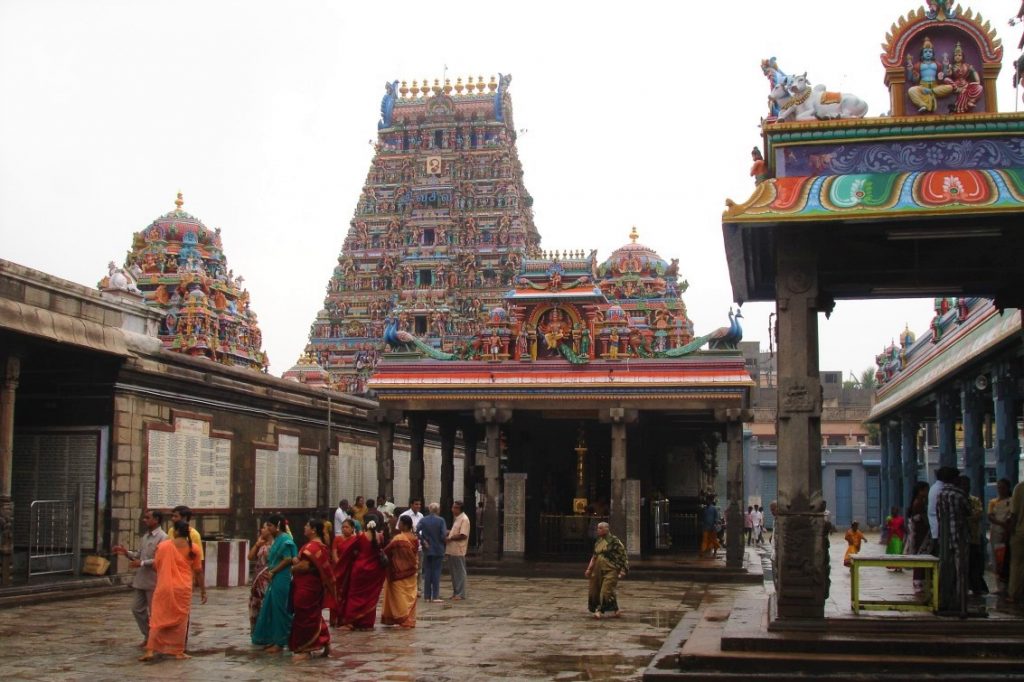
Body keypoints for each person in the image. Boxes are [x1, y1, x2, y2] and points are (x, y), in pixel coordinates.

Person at [139, 520, 206, 662]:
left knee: (157, 617)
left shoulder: (163, 546)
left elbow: (156, 566)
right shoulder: (193, 548)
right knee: (180, 620)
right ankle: (177, 651)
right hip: (183, 588)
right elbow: (198, 571)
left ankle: (150, 650)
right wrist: (203, 590)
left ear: (175, 532)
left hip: (164, 586)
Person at [112, 509, 168, 647]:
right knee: (136, 609)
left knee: (154, 612)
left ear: (156, 520)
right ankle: (148, 635)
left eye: (147, 518)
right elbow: (139, 555)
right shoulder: (145, 537)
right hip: (141, 580)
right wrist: (126, 552)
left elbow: (159, 560)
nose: (144, 520)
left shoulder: (163, 537)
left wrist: (142, 563)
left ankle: (157, 639)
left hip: (153, 580)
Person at [289, 519, 335, 659]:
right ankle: (323, 639)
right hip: (308, 585)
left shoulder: (313, 547)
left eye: (307, 526)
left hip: (308, 586)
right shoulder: (315, 546)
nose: (304, 527)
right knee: (312, 613)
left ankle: (306, 647)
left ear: (314, 529)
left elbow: (306, 566)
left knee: (304, 614)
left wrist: (293, 568)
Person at [252, 515, 297, 652]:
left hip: (281, 577)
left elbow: (288, 559)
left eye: (270, 526)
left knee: (280, 609)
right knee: (271, 608)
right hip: (274, 578)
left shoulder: (285, 539)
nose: (268, 528)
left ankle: (281, 642)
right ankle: (274, 639)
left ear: (277, 525)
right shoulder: (277, 539)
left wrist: (273, 571)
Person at [340, 519, 387, 630]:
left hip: (360, 569)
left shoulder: (361, 537)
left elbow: (349, 551)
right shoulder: (380, 537)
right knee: (371, 597)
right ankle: (367, 623)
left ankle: (351, 621)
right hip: (375, 570)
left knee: (354, 595)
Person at [936, 468, 970, 616]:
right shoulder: (959, 494)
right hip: (959, 537)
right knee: (961, 571)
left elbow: (939, 516)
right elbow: (968, 511)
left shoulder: (940, 495)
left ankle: (944, 600)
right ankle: (961, 603)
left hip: (945, 538)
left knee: (945, 570)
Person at [381, 515, 420, 628]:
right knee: (409, 595)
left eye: (400, 523)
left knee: (400, 597)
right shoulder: (414, 538)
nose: (398, 524)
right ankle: (408, 619)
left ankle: (403, 618)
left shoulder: (399, 538)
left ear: (405, 525)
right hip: (411, 571)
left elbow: (386, 551)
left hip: (398, 571)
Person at [585, 521, 629, 619]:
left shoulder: (614, 541)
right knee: (594, 590)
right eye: (598, 528)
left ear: (606, 529)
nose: (598, 530)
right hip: (598, 569)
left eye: (600, 528)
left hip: (611, 569)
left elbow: (623, 555)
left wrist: (623, 569)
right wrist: (589, 569)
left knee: (606, 591)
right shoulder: (598, 541)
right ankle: (615, 609)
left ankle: (600, 610)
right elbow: (594, 556)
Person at [906, 37, 954, 112]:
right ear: (922, 54)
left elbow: (942, 76)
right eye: (925, 52)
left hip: (935, 87)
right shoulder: (918, 65)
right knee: (911, 90)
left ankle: (930, 91)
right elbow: (911, 79)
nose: (928, 53)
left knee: (950, 87)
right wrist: (909, 70)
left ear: (932, 54)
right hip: (923, 87)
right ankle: (922, 104)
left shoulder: (937, 64)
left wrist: (945, 65)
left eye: (930, 52)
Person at [959, 476, 988, 596]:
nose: (967, 487)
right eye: (964, 485)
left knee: (975, 564)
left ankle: (976, 587)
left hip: (974, 538)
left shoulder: (974, 500)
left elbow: (978, 515)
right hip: (961, 539)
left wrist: (965, 519)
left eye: (968, 485)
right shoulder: (958, 499)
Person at [330, 518, 358, 627]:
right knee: (337, 594)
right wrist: (339, 563)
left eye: (347, 527)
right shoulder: (337, 539)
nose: (344, 529)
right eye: (343, 527)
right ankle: (336, 618)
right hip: (338, 570)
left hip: (350, 569)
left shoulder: (355, 539)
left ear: (352, 529)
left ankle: (347, 618)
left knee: (348, 593)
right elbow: (334, 552)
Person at [418, 502, 448, 603]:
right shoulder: (441, 520)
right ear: (438, 510)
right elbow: (443, 535)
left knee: (427, 572)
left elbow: (416, 531)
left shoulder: (423, 520)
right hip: (438, 548)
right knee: (436, 572)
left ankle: (426, 597)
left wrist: (423, 540)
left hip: (427, 548)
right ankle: (435, 596)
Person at [247, 522, 273, 633]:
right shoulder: (261, 543)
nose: (261, 530)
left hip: (268, 578)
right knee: (255, 604)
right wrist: (257, 545)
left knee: (266, 605)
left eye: (264, 528)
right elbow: (250, 557)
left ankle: (266, 632)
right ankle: (256, 632)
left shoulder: (276, 544)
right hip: (258, 578)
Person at [988, 478, 1012, 595]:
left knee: (1007, 559)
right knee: (997, 560)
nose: (1000, 490)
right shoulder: (993, 502)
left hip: (1008, 533)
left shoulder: (1012, 501)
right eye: (999, 487)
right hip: (996, 533)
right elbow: (990, 516)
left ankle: (1009, 585)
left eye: (1003, 487)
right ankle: (1000, 586)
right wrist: (1002, 524)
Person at [945, 42, 983, 113]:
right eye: (955, 55)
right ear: (953, 57)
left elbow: (974, 72)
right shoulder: (952, 66)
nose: (957, 56)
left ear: (962, 57)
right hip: (955, 85)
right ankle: (959, 91)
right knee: (946, 79)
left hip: (966, 85)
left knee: (980, 87)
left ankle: (970, 101)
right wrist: (948, 68)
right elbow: (948, 75)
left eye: (959, 55)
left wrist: (977, 81)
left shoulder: (967, 66)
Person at [399, 498, 424, 595]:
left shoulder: (421, 516)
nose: (418, 506)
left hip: (418, 545)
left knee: (419, 568)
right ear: (411, 504)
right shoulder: (404, 515)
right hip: (406, 545)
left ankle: (418, 588)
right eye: (416, 504)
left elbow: (422, 529)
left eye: (419, 504)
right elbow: (399, 528)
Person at [446, 500, 470, 601]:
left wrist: (450, 538)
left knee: (459, 572)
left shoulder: (464, 519)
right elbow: (454, 532)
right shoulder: (457, 519)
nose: (452, 509)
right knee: (454, 573)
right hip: (452, 549)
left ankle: (460, 593)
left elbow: (463, 535)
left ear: (459, 509)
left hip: (458, 549)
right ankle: (456, 592)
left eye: (454, 507)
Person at [1008, 479, 1024, 603]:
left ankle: (1014, 594)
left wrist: (1010, 532)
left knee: (1016, 564)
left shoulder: (1019, 488)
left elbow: (1013, 514)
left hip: (1019, 533)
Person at [884, 505, 906, 571]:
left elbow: (903, 527)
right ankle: (895, 567)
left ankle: (899, 566)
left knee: (898, 552)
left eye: (895, 511)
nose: (893, 512)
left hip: (898, 538)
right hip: (891, 538)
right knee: (892, 553)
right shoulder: (889, 518)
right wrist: (888, 526)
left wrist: (908, 532)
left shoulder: (901, 519)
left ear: (897, 512)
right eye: (892, 511)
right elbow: (886, 527)